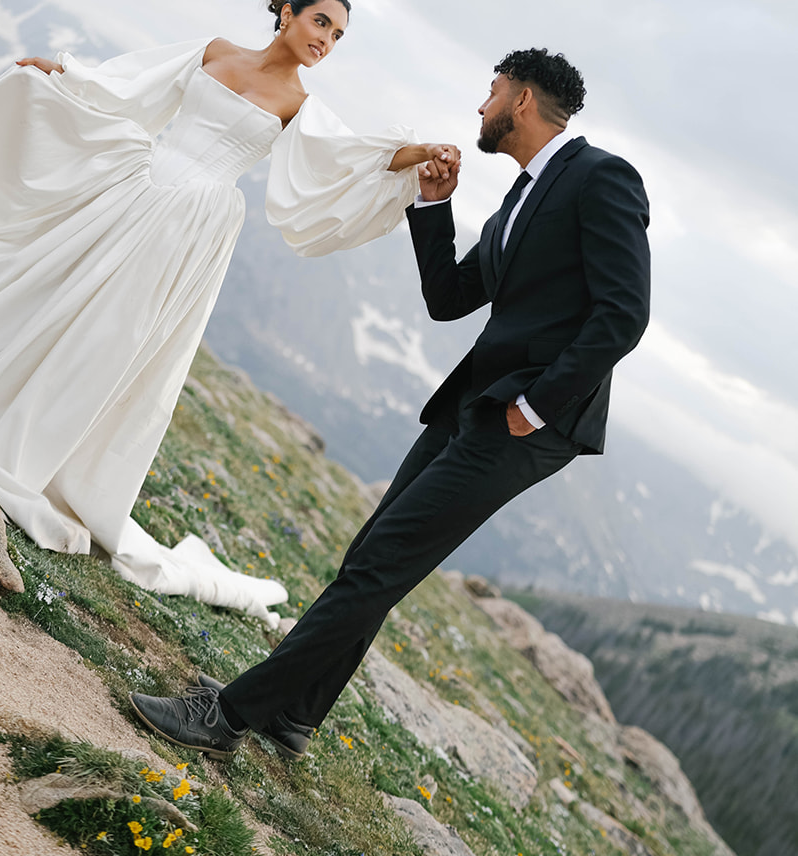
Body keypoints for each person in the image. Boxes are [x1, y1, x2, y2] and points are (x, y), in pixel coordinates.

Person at [0, 0, 456, 624]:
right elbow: (135, 89)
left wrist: (416, 153)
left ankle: (38, 441)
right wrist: (64, 80)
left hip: (192, 226)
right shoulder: (217, 51)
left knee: (110, 335)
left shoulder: (302, 106)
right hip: (140, 185)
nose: (326, 41)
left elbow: (346, 159)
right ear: (287, 13)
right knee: (47, 281)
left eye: (338, 36)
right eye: (320, 23)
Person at [130, 47, 651, 759]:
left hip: (524, 423)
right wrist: (432, 205)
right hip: (473, 402)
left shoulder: (601, 178)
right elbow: (451, 299)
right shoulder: (520, 194)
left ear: (522, 101)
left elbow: (622, 316)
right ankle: (295, 716)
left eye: (490, 91)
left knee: (380, 564)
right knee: (373, 556)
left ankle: (227, 717)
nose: (480, 106)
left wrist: (534, 406)